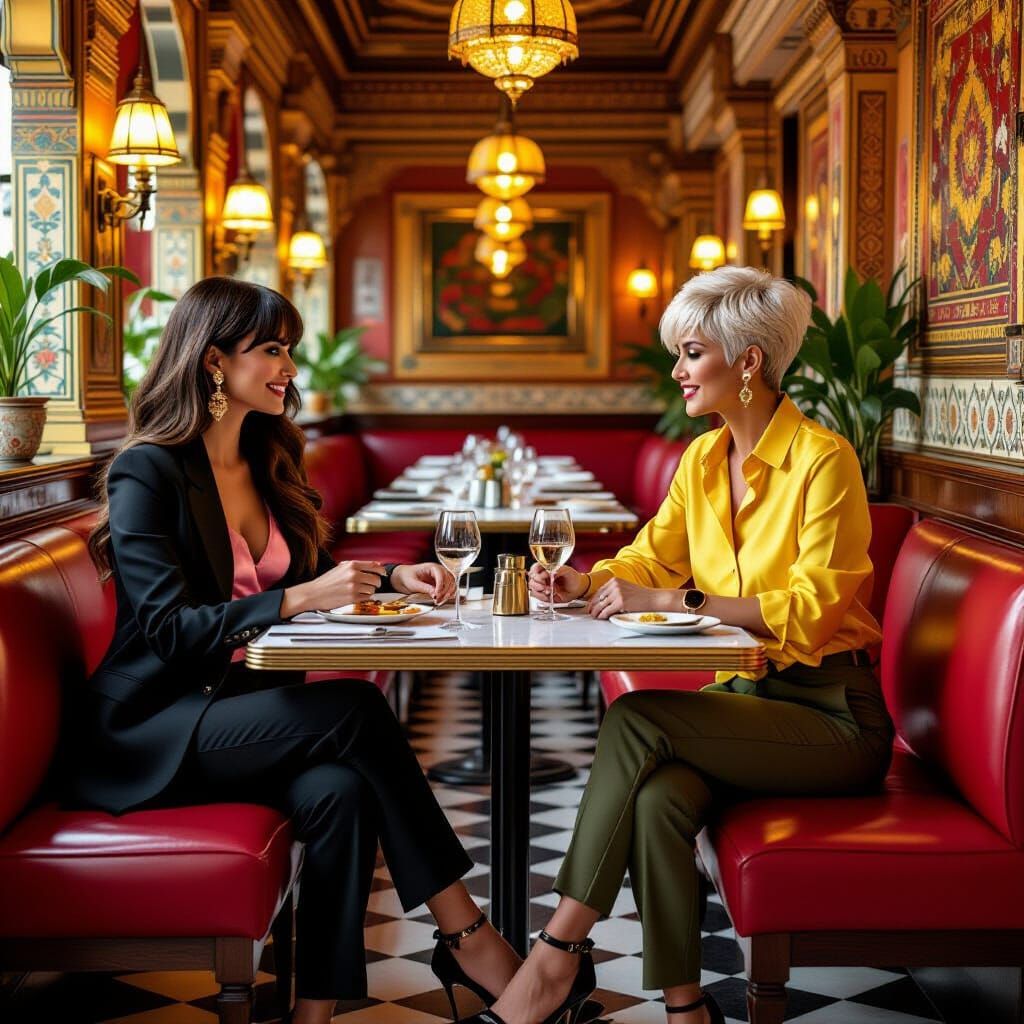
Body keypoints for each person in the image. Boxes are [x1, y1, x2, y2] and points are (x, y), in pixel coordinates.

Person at [75, 277, 519, 1024]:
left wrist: (393, 578)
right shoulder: (147, 470)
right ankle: (468, 935)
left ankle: (312, 1015)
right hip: (151, 729)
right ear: (214, 360)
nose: (289, 367)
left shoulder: (264, 458)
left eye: (291, 351)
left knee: (340, 794)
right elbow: (167, 630)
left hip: (238, 714)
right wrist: (302, 600)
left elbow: (300, 577)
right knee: (354, 704)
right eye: (272, 349)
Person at [472, 266, 896, 1024]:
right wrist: (585, 581)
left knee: (638, 720)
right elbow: (647, 558)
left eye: (691, 353)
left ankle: (551, 962)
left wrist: (680, 599)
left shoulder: (825, 462)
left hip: (834, 717)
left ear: (748, 362)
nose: (677, 371)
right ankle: (685, 1009)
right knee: (662, 797)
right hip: (749, 702)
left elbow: (814, 611)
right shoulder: (701, 462)